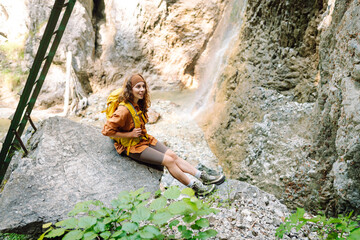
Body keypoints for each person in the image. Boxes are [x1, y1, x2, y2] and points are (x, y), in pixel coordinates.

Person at [102, 73, 225, 196]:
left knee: (172, 155)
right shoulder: (123, 110)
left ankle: (202, 176)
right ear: (130, 89)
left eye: (143, 86)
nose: (142, 90)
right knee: (169, 161)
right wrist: (130, 134)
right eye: (137, 87)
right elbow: (106, 131)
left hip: (143, 139)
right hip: (133, 147)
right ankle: (196, 187)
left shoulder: (138, 103)